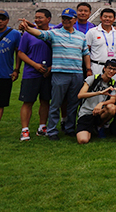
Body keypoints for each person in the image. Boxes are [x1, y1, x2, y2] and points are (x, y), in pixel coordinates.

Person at [19, 8, 91, 140]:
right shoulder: (55, 33)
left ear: (74, 20)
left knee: (73, 103)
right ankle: (52, 130)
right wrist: (28, 28)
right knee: (56, 103)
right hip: (60, 73)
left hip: (77, 73)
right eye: (64, 18)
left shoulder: (81, 36)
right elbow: (40, 33)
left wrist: (88, 68)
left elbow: (86, 53)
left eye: (69, 18)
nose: (66, 21)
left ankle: (69, 128)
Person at [17, 9, 52, 141]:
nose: (37, 20)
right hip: (31, 73)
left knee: (45, 101)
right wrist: (35, 65)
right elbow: (21, 53)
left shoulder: (53, 32)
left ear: (48, 19)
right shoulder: (27, 34)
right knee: (28, 101)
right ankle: (25, 130)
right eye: (36, 17)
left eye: (40, 17)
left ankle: (42, 127)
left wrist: (50, 68)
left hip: (47, 74)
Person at [75, 60, 116, 144]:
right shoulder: (93, 79)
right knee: (83, 140)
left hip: (99, 112)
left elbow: (112, 100)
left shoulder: (113, 83)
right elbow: (80, 95)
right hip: (86, 113)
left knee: (112, 108)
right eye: (109, 68)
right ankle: (89, 129)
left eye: (114, 69)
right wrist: (99, 93)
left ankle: (99, 127)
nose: (111, 71)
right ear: (104, 68)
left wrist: (101, 104)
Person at [0, 9, 22, 127]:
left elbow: (18, 52)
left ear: (7, 20)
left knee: (1, 103)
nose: (0, 21)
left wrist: (16, 69)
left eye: (2, 19)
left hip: (4, 73)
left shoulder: (15, 34)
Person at [86, 9, 116, 76]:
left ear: (114, 19)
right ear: (100, 18)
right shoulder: (92, 32)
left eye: (110, 17)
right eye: (105, 17)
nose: (107, 19)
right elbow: (86, 51)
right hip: (97, 66)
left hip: (112, 68)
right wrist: (88, 69)